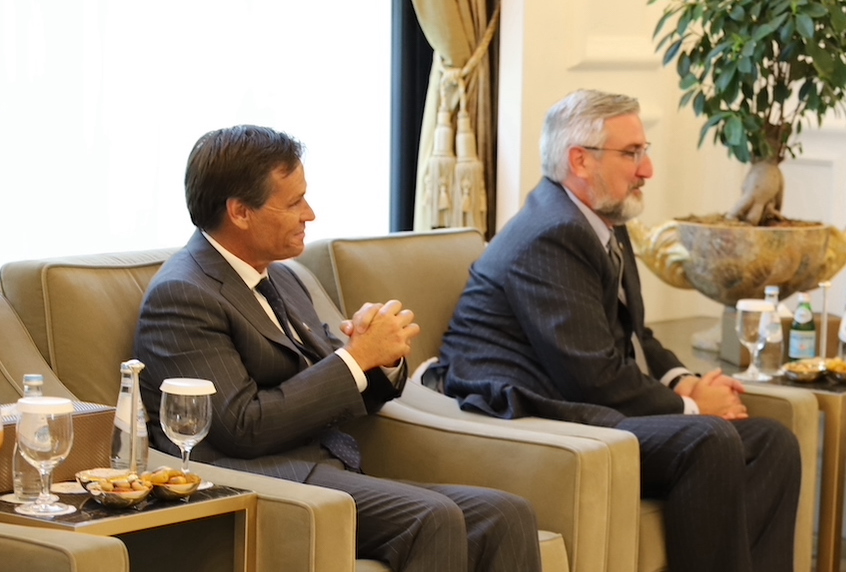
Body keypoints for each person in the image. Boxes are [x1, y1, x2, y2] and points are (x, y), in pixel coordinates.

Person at [135, 125, 540, 572]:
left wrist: (379, 357)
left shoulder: (281, 277)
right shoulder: (184, 294)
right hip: (259, 480)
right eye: (293, 203)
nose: (309, 213)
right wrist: (356, 359)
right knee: (432, 517)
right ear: (240, 212)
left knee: (506, 513)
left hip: (324, 467)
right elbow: (240, 427)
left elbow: (339, 384)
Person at [435, 89, 801, 572]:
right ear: (580, 161)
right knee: (705, 438)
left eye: (643, 152)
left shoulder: (602, 218)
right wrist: (693, 407)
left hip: (579, 400)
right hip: (531, 417)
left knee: (773, 442)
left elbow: (635, 337)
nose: (646, 170)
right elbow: (593, 377)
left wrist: (683, 381)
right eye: (633, 154)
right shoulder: (552, 234)